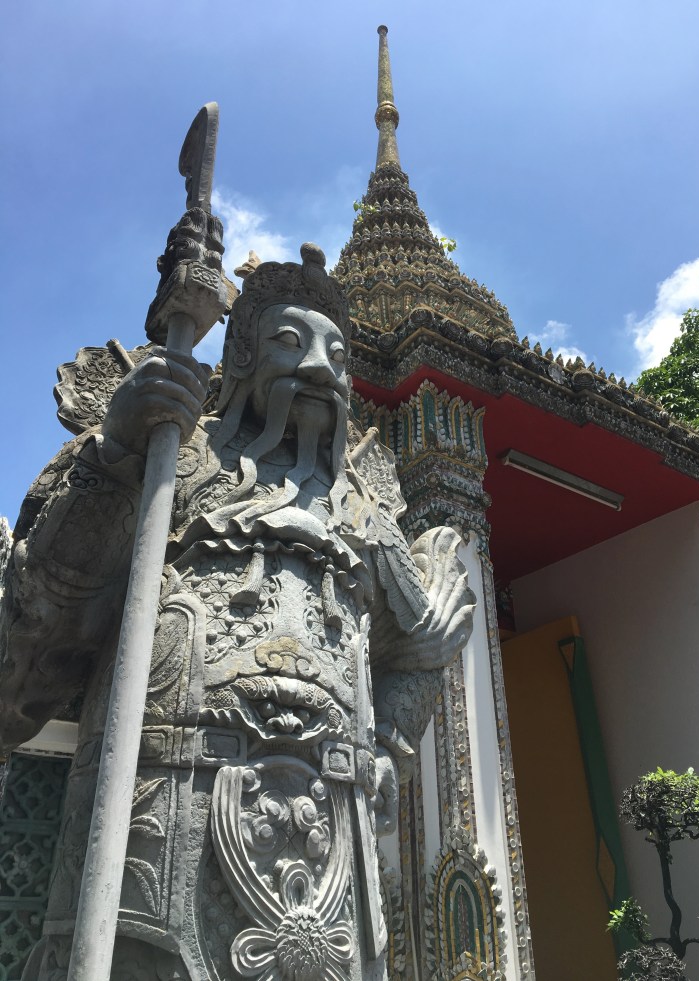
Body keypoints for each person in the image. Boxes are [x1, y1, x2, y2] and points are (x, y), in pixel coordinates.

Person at [0, 211, 474, 980]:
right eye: (291, 342)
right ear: (245, 354)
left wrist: (387, 738)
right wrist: (119, 449)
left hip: (327, 857)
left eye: (338, 353)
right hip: (159, 832)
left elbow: (423, 640)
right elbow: (42, 622)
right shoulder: (170, 466)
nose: (319, 366)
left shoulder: (363, 517)